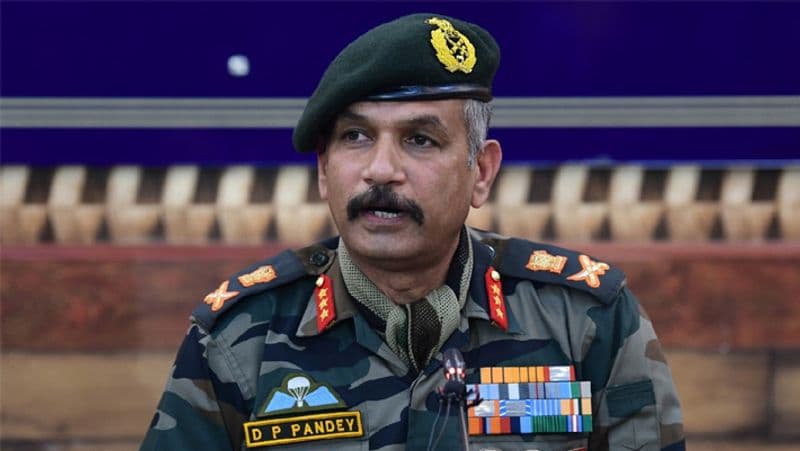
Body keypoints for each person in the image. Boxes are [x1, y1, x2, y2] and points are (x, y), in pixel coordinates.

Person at [141, 13, 684, 451]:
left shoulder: (585, 320)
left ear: (481, 172)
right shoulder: (241, 336)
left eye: (420, 140)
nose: (380, 170)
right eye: (356, 137)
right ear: (324, 170)